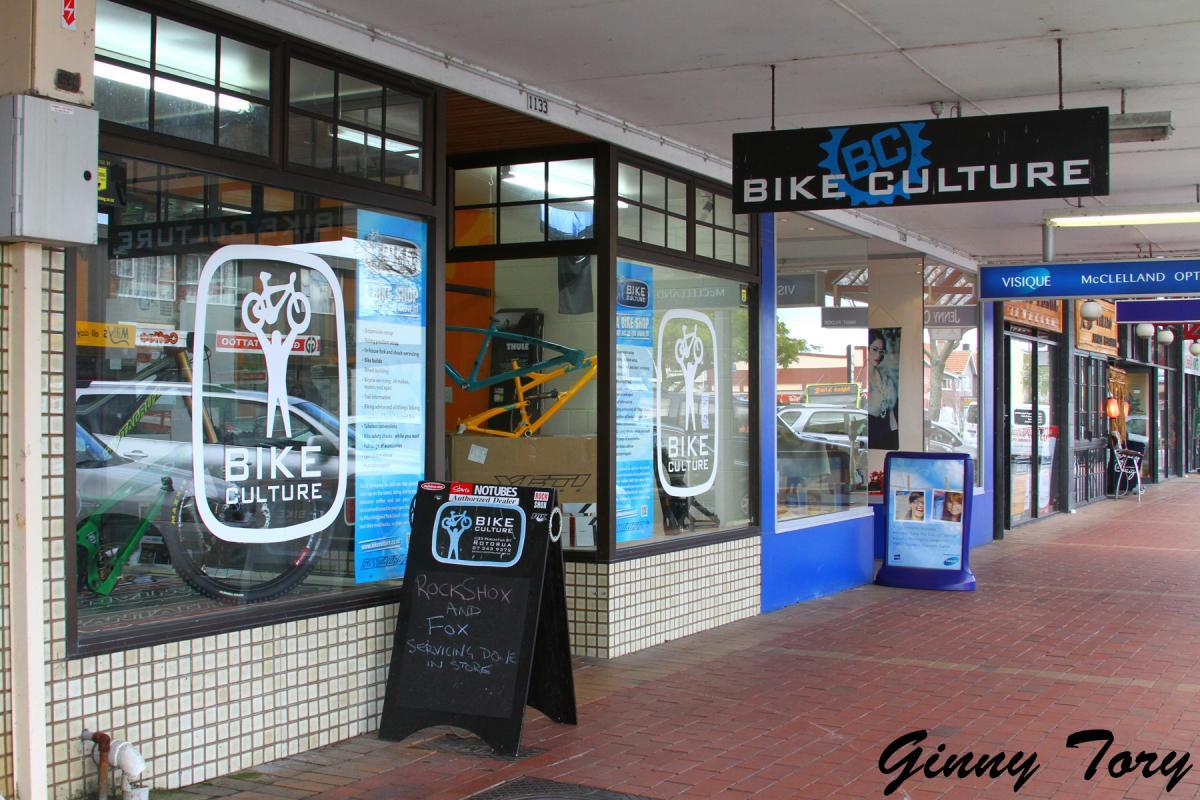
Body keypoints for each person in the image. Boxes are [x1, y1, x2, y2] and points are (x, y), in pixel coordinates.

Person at [866, 331, 899, 450]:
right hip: (870, 438)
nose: (878, 355)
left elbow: (890, 414)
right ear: (867, 349)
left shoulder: (886, 380)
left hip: (886, 436)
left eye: (881, 351)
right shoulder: (863, 381)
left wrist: (894, 434)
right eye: (875, 349)